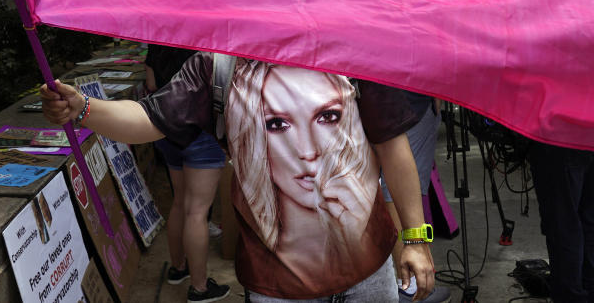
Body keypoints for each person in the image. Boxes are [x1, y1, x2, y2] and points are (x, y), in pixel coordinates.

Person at [42, 54, 436, 302]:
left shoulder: (350, 50)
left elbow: (393, 148)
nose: (306, 150)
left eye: (328, 117)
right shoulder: (219, 68)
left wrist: (416, 240)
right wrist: (85, 109)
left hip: (370, 275)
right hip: (275, 287)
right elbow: (149, 119)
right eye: (277, 124)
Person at [145, 44, 230, 302]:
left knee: (180, 201)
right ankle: (200, 288)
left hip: (166, 130)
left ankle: (178, 267)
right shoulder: (209, 46)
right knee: (197, 211)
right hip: (201, 134)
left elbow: (150, 85)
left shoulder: (158, 42)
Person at [379, 90, 451, 303]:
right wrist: (415, 242)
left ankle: (408, 283)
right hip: (409, 94)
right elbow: (395, 180)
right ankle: (409, 286)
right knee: (397, 180)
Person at [528, 141, 594, 303]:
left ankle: (573, 296)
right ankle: (591, 292)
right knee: (587, 217)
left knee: (563, 223)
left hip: (561, 140)